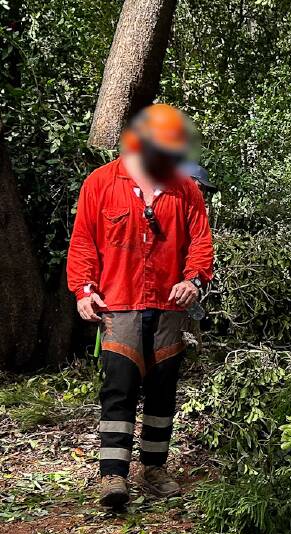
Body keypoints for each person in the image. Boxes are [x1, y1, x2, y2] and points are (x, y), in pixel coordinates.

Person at [66, 104, 214, 510]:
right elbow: (83, 243)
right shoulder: (100, 183)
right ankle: (113, 475)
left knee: (163, 390)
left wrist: (194, 279)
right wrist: (83, 290)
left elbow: (200, 241)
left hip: (169, 306)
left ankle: (154, 468)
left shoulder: (185, 189)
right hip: (119, 304)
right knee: (119, 389)